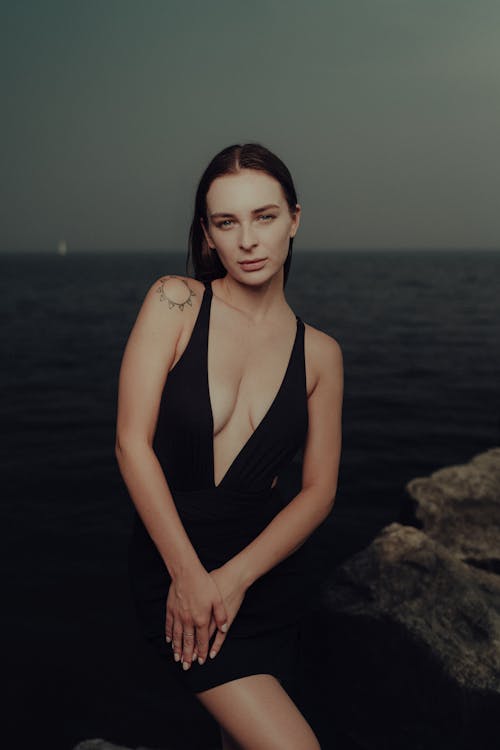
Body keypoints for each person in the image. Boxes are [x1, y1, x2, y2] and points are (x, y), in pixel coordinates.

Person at [115, 142, 343, 749]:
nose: (248, 239)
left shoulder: (321, 354)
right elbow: (130, 444)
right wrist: (190, 578)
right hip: (176, 570)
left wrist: (236, 579)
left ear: (295, 219)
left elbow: (319, 493)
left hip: (264, 577)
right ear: (208, 235)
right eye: (227, 222)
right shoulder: (175, 302)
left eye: (264, 217)